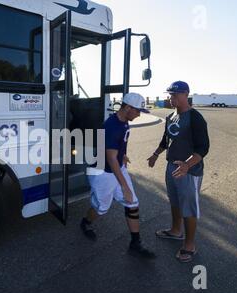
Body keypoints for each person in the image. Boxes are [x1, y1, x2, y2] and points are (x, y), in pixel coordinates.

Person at [81, 93, 156, 260]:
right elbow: (110, 158)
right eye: (138, 111)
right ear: (127, 107)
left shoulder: (124, 122)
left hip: (116, 166)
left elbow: (118, 148)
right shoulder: (112, 126)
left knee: (133, 203)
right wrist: (124, 186)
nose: (139, 114)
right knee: (101, 209)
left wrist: (123, 155)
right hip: (102, 172)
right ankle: (86, 222)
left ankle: (135, 243)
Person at [147, 81, 210, 263]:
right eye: (170, 95)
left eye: (175, 95)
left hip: (189, 170)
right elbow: (166, 139)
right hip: (172, 167)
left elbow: (203, 147)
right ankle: (176, 231)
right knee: (174, 201)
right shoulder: (170, 117)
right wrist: (155, 155)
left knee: (189, 207)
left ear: (186, 94)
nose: (171, 98)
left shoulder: (196, 118)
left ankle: (189, 245)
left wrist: (187, 165)